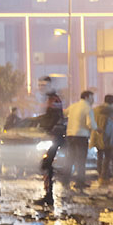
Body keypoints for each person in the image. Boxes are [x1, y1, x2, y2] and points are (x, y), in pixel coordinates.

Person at [32, 76, 65, 206]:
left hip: (54, 137)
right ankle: (48, 195)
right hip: (53, 137)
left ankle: (49, 196)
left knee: (46, 165)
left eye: (44, 85)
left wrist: (38, 124)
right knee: (46, 165)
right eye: (40, 85)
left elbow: (52, 119)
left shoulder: (54, 99)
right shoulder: (51, 99)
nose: (41, 87)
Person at [65, 90, 97, 189]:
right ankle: (80, 182)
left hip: (70, 135)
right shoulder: (88, 108)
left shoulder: (73, 106)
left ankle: (65, 180)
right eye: (92, 97)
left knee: (70, 158)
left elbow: (65, 113)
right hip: (81, 137)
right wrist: (97, 129)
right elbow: (90, 124)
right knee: (81, 160)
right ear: (87, 97)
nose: (93, 100)